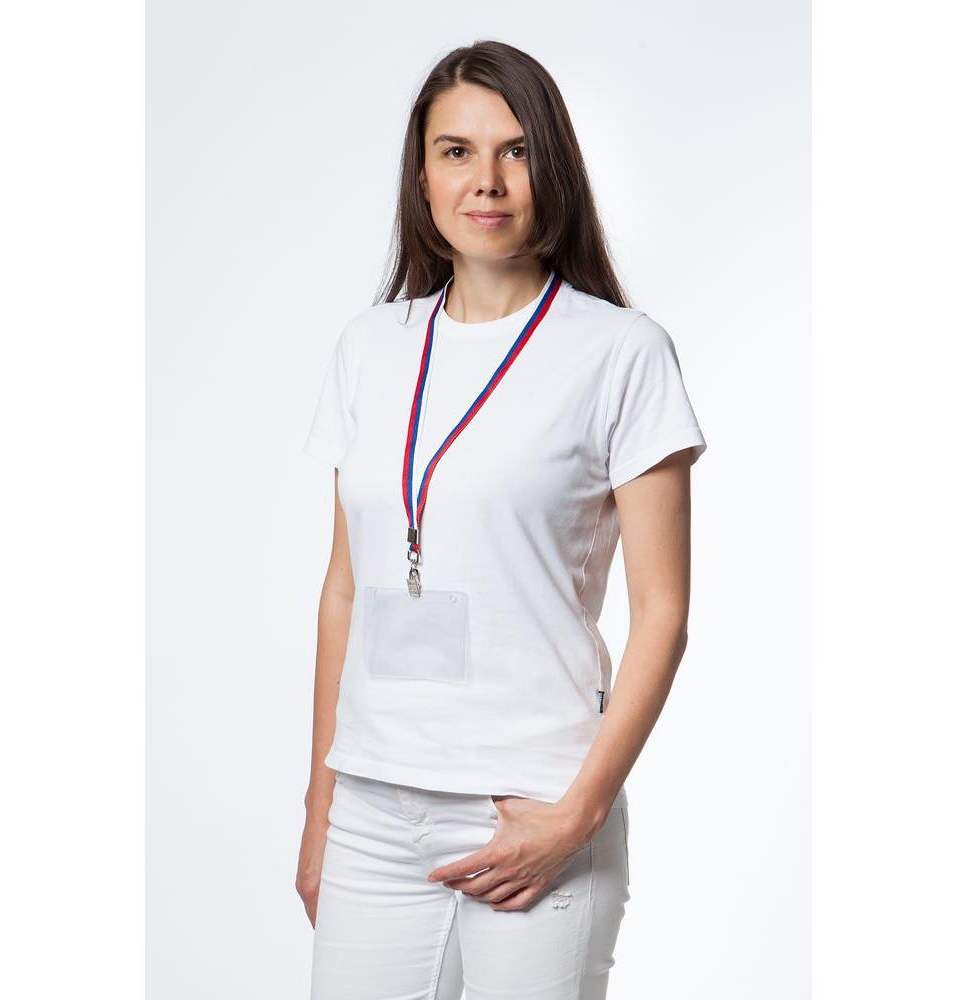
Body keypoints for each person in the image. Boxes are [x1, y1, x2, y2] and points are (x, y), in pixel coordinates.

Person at [295, 39, 708, 1000]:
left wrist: (579, 814)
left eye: (515, 151)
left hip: (531, 803)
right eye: (456, 152)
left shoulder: (622, 353)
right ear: (422, 175)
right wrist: (321, 804)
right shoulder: (370, 346)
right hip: (372, 808)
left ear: (551, 167)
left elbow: (663, 615)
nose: (486, 180)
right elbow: (344, 588)